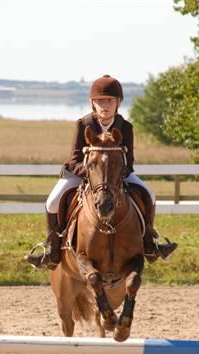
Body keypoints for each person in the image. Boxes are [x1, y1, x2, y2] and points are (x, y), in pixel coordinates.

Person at [25, 74, 177, 269]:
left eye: (109, 101)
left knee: (150, 195)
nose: (104, 106)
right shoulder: (83, 125)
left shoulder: (126, 127)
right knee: (52, 201)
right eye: (100, 101)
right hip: (79, 174)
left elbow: (129, 162)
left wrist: (112, 176)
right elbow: (73, 160)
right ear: (93, 104)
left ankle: (150, 244)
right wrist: (92, 174)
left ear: (118, 103)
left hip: (115, 176)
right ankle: (52, 250)